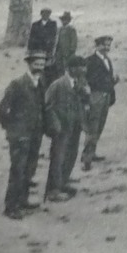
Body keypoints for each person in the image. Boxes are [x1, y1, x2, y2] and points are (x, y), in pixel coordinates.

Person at [0, 53, 46, 219]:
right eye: (37, 64)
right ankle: (11, 206)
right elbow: (1, 110)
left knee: (29, 168)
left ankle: (23, 200)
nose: (40, 67)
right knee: (18, 170)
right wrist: (13, 129)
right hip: (20, 136)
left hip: (35, 134)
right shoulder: (17, 84)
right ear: (29, 64)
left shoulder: (40, 83)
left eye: (42, 64)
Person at [42, 57, 83, 202]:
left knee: (71, 155)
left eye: (83, 67)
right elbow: (46, 105)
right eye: (79, 67)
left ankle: (63, 183)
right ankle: (53, 190)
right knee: (58, 158)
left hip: (75, 126)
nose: (82, 70)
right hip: (61, 128)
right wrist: (55, 124)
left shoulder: (79, 83)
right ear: (70, 68)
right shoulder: (58, 84)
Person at [82, 36, 117, 168]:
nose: (107, 48)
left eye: (108, 45)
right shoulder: (90, 61)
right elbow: (85, 79)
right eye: (104, 45)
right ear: (97, 46)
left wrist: (113, 83)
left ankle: (92, 152)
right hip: (96, 96)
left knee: (100, 126)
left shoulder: (107, 60)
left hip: (106, 96)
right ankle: (87, 158)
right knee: (93, 127)